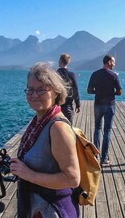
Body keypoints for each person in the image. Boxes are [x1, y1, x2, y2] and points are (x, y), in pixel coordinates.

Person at [9, 62, 80, 218]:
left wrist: (28, 174)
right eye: (31, 89)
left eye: (41, 89)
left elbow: (72, 179)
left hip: (54, 209)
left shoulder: (58, 128)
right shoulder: (39, 121)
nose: (34, 95)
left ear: (55, 92)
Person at [87, 55, 122, 166]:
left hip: (98, 104)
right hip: (110, 105)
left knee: (97, 129)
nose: (114, 64)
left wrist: (98, 92)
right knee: (107, 131)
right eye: (113, 62)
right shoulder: (113, 75)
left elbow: (89, 90)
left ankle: (95, 155)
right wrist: (112, 92)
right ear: (109, 62)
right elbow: (120, 91)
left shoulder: (95, 74)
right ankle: (104, 158)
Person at [57, 53, 81, 124]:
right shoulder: (71, 75)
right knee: (68, 128)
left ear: (60, 61)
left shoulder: (55, 74)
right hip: (68, 106)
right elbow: (75, 90)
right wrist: (78, 104)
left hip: (56, 106)